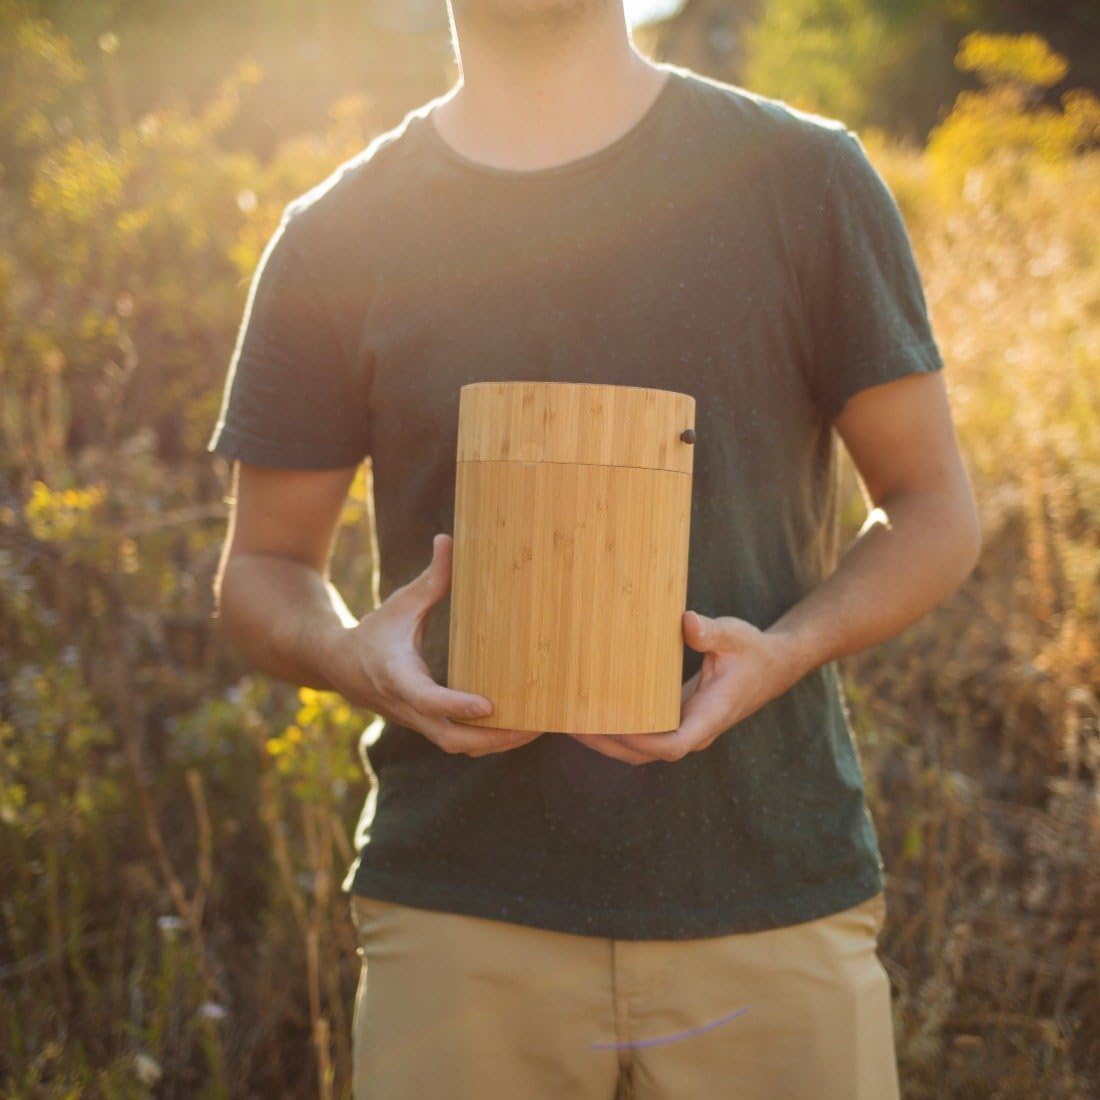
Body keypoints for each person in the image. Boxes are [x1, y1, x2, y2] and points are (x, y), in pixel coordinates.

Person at [206, 0, 982, 1096]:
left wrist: (784, 649)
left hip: (766, 895)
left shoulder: (802, 178)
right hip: (459, 915)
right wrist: (352, 657)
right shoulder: (337, 232)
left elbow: (930, 506)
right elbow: (262, 568)